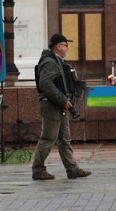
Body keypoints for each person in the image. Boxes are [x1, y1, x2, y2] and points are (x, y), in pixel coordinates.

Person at [32, 33, 91, 181]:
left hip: (60, 105)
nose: (67, 48)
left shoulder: (58, 61)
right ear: (59, 46)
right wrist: (62, 99)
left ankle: (72, 170)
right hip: (52, 105)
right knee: (48, 138)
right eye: (65, 45)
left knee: (64, 140)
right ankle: (38, 170)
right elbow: (45, 84)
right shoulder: (50, 62)